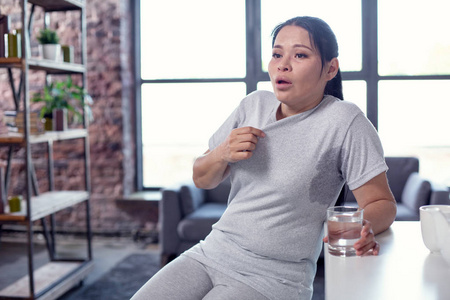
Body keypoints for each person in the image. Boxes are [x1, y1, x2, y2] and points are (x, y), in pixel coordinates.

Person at [131, 16, 397, 300]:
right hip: (212, 251)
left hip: (276, 278)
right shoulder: (254, 104)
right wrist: (222, 153)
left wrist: (361, 225)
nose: (283, 64)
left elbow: (382, 203)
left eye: (300, 54)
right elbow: (201, 178)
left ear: (331, 68)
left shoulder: (345, 121)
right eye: (277, 54)